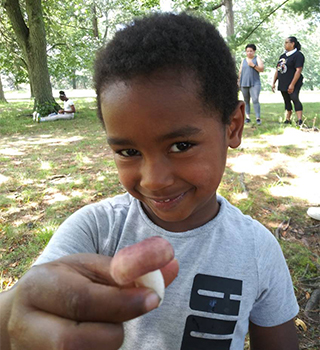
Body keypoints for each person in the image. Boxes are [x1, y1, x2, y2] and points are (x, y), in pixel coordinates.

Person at [1, 13, 299, 350]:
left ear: (232, 126)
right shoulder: (95, 232)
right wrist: (10, 322)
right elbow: (31, 301)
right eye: (128, 151)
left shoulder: (258, 250)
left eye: (181, 146)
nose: (154, 181)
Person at [272, 37, 304, 126]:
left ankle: (300, 120)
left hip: (294, 82)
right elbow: (278, 70)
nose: (285, 44)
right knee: (286, 100)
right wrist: (274, 82)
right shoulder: (283, 56)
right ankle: (287, 119)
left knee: (294, 97)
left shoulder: (298, 55)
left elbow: (298, 70)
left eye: (286, 42)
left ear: (292, 43)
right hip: (283, 82)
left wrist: (292, 84)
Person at [238, 44, 264, 125]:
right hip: (244, 82)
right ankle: (247, 117)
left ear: (254, 51)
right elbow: (240, 71)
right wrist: (238, 81)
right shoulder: (244, 60)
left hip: (255, 83)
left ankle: (258, 118)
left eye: (251, 51)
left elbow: (261, 69)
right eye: (247, 51)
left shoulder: (257, 58)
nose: (249, 53)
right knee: (246, 100)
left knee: (255, 99)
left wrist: (253, 65)